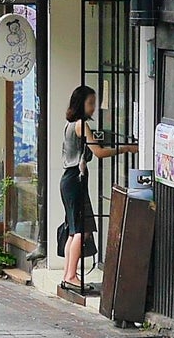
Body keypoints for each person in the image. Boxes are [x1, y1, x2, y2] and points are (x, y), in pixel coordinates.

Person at [56, 85, 136, 288]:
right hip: (75, 179)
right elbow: (98, 152)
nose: (93, 107)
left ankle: (68, 273)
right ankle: (71, 275)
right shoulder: (82, 125)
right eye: (90, 103)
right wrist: (125, 148)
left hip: (68, 179)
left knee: (74, 229)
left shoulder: (69, 124)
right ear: (80, 104)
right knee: (81, 230)